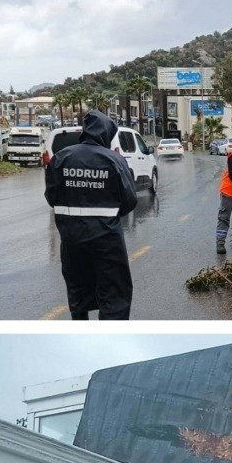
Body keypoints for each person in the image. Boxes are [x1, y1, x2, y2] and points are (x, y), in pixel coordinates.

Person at [43, 109, 138, 320]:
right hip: (106, 237)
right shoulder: (114, 160)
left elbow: (52, 197)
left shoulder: (61, 158)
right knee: (115, 291)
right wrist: (107, 214)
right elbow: (130, 200)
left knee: (78, 287)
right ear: (106, 133)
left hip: (71, 238)